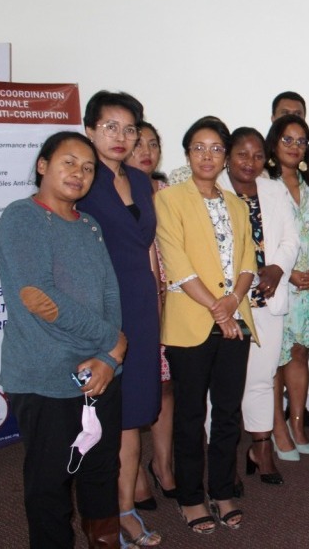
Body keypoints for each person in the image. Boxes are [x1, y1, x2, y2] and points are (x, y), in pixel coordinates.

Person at [0, 131, 127, 548]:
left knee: (101, 472)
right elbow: (39, 299)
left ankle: (103, 539)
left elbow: (110, 291)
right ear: (42, 165)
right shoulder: (22, 217)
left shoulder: (88, 224)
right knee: (49, 485)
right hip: (44, 376)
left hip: (100, 372)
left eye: (88, 167)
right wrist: (115, 340)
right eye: (68, 162)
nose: (79, 173)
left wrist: (108, 356)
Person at [155, 116, 258, 534]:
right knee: (190, 415)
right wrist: (220, 310)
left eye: (216, 148)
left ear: (225, 157)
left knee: (229, 413)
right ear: (186, 153)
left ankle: (221, 490)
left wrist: (233, 302)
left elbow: (249, 261)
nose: (208, 156)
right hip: (190, 323)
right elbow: (176, 263)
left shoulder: (236, 203)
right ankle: (191, 498)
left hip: (237, 322)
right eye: (200, 147)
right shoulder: (170, 199)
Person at [77, 91, 162, 546]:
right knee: (99, 419)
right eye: (110, 126)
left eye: (130, 128)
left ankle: (125, 508)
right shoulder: (82, 179)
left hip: (142, 309)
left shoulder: (139, 178)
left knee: (131, 418)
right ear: (89, 128)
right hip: (99, 309)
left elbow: (147, 249)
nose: (122, 137)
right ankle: (101, 516)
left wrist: (157, 308)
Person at [219, 127, 299, 485]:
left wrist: (278, 267)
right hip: (224, 301)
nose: (249, 163)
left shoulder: (273, 188)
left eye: (256, 156)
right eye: (241, 155)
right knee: (219, 384)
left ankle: (261, 448)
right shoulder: (212, 186)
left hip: (265, 295)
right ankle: (218, 458)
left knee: (262, 378)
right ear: (227, 156)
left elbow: (290, 237)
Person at [264, 114, 309, 458]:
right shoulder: (262, 183)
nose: (295, 146)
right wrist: (287, 273)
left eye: (301, 141)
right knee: (275, 357)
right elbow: (259, 239)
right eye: (288, 140)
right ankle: (277, 428)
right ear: (274, 143)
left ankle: (298, 424)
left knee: (300, 353)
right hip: (277, 284)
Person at [123, 122, 178, 509]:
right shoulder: (109, 191)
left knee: (165, 386)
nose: (146, 150)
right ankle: (135, 473)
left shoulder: (166, 191)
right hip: (132, 303)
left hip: (173, 299)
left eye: (153, 144)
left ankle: (163, 465)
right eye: (138, 142)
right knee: (129, 390)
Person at [271, 91, 309, 178]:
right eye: (285, 113)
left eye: (298, 114)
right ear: (273, 118)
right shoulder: (259, 150)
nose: (291, 118)